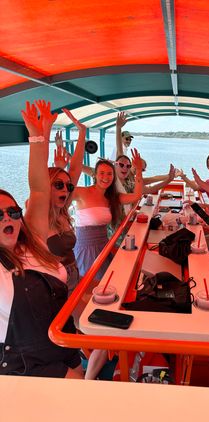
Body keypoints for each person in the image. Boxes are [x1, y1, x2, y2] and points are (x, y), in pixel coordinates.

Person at [0, 100, 83, 378]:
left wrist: (39, 137)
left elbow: (38, 189)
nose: (8, 218)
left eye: (12, 212)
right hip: (26, 365)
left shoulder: (32, 243)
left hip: (62, 343)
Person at [72, 151, 143, 280]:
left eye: (109, 174)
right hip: (86, 248)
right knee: (92, 284)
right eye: (102, 173)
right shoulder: (82, 192)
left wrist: (138, 170)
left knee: (107, 281)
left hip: (105, 245)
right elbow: (62, 191)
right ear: (95, 175)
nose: (106, 177)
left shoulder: (112, 197)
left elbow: (136, 196)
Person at [47, 109, 86, 295]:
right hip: (52, 282)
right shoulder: (39, 216)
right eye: (58, 185)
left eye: (68, 187)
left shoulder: (61, 212)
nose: (65, 189)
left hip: (72, 274)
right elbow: (37, 187)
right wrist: (42, 133)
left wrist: (82, 134)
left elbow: (76, 170)